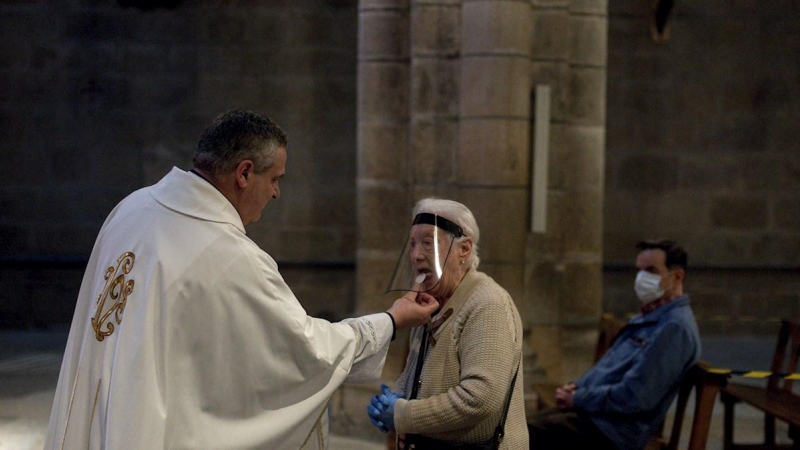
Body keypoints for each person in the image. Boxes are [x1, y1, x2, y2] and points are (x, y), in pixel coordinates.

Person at [44, 109, 439, 450]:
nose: (277, 193)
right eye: (275, 179)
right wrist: (390, 320)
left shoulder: (131, 208)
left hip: (105, 420)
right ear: (245, 173)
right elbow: (308, 350)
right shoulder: (230, 256)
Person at [366, 198, 528, 450]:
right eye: (412, 244)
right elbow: (418, 375)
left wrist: (403, 414)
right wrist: (395, 395)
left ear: (464, 249)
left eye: (428, 244)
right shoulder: (430, 302)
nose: (416, 255)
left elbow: (480, 397)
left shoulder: (488, 303)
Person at [527, 239, 701, 450]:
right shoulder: (649, 315)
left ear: (677, 276)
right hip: (596, 415)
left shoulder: (674, 328)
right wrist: (578, 387)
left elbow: (635, 396)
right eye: (639, 270)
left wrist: (579, 398)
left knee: (521, 435)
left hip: (613, 432)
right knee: (516, 425)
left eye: (651, 271)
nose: (642, 278)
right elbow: (608, 366)